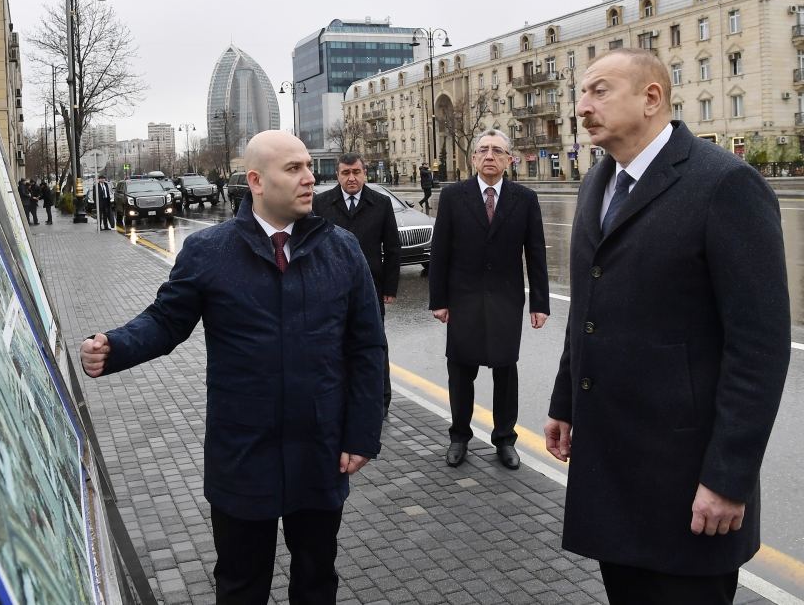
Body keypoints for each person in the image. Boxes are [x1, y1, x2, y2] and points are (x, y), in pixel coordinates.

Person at [79, 130, 385, 604]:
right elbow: (166, 321)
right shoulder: (209, 252)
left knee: (317, 579)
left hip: (319, 450)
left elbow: (367, 348)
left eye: (309, 166)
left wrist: (361, 433)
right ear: (257, 181)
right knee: (241, 585)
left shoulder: (341, 249)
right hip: (243, 454)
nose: (310, 178)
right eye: (295, 169)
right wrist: (114, 347)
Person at [543, 48, 789, 604]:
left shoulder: (724, 184)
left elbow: (760, 348)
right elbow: (588, 309)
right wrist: (565, 403)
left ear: (652, 97)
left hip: (687, 484)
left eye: (599, 90)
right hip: (611, 473)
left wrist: (728, 478)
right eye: (581, 93)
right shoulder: (597, 183)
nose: (581, 107)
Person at [428, 129, 549, 470]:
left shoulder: (524, 199)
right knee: (460, 373)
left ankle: (505, 440)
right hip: (463, 300)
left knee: (505, 374)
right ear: (473, 158)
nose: (490, 156)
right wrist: (439, 300)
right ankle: (459, 437)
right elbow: (440, 253)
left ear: (510, 159)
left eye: (498, 151)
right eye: (483, 150)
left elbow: (535, 254)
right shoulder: (454, 196)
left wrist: (540, 303)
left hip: (505, 301)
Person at [313, 153, 401, 419]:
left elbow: (393, 249)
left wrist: (390, 288)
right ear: (338, 175)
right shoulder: (322, 202)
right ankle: (340, 397)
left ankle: (381, 399)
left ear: (365, 173)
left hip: (371, 287)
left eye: (356, 172)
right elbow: (311, 245)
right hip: (331, 288)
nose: (351, 178)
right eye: (345, 173)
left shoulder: (381, 203)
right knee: (334, 344)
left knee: (375, 345)